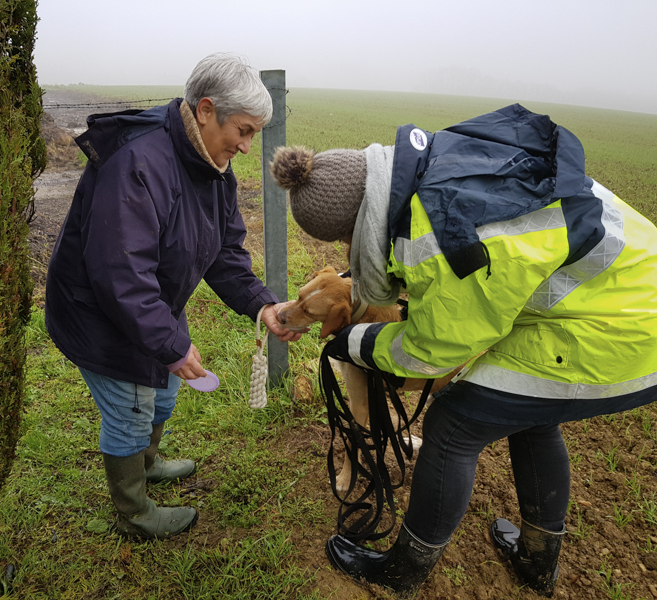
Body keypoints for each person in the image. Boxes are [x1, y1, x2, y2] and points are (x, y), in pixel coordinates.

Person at [269, 103, 657, 598]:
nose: (348, 252)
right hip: (628, 297)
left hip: (619, 330)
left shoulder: (438, 234)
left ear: (361, 215)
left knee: (454, 424)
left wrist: (352, 341)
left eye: (345, 238)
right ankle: (538, 560)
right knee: (531, 412)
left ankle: (402, 571)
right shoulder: (433, 169)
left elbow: (429, 357)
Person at [45, 53, 303, 540]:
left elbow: (225, 252)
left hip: (149, 307)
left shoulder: (213, 168)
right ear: (206, 110)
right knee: (131, 408)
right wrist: (170, 342)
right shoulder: (137, 165)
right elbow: (119, 274)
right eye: (244, 131)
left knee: (162, 394)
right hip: (100, 314)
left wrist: (261, 304)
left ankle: (147, 462)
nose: (248, 147)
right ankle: (135, 512)